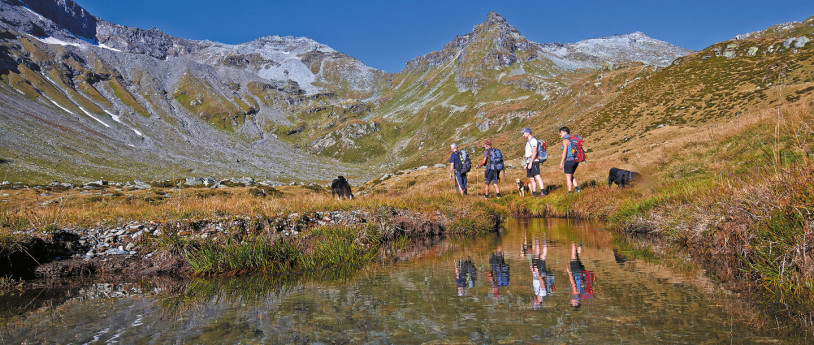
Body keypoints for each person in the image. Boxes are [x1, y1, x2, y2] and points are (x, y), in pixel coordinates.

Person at [566, 241, 594, 310]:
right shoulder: (575, 295)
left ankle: (580, 245)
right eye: (572, 303)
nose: (571, 301)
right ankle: (572, 240)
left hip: (582, 274)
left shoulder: (582, 295)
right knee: (573, 257)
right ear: (576, 302)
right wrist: (569, 273)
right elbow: (573, 284)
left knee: (577, 257)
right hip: (576, 272)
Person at [529, 237, 554, 310]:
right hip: (539, 273)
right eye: (534, 303)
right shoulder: (542, 294)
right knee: (541, 257)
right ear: (537, 303)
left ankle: (538, 239)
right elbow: (542, 283)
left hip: (537, 274)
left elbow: (535, 282)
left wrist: (533, 271)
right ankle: (543, 241)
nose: (533, 302)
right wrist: (537, 272)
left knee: (538, 256)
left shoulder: (538, 294)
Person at [521, 128, 546, 197]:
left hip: (534, 161)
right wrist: (527, 163)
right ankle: (534, 193)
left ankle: (542, 192)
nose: (523, 135)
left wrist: (531, 162)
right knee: (531, 178)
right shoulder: (528, 142)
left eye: (524, 133)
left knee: (537, 176)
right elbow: (528, 154)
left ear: (528, 133)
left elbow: (534, 152)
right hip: (530, 161)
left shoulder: (533, 140)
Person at [558, 127, 580, 193]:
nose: (560, 134)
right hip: (576, 160)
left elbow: (564, 152)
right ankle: (577, 189)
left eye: (561, 133)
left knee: (568, 176)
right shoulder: (572, 139)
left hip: (569, 160)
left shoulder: (565, 141)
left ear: (565, 132)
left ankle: (570, 192)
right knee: (570, 174)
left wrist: (561, 163)